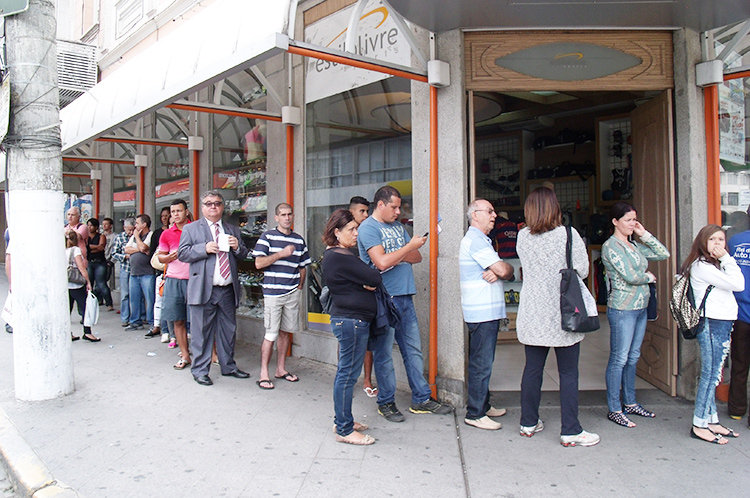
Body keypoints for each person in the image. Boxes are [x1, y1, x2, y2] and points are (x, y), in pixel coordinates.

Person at [357, 185, 451, 422]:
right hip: (382, 299)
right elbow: (380, 262)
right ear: (380, 204)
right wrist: (406, 248)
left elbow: (417, 258)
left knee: (413, 350)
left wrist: (397, 253)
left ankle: (421, 398)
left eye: (399, 207)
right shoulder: (368, 227)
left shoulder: (398, 227)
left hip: (405, 296)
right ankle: (386, 402)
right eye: (394, 207)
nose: (398, 211)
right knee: (384, 354)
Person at [516, 187, 599, 447]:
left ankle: (528, 423)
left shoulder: (522, 236)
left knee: (532, 370)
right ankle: (570, 430)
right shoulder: (568, 235)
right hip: (564, 313)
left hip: (532, 313)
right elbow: (583, 270)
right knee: (568, 373)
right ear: (555, 208)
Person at [601, 202, 669, 427]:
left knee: (633, 357)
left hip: (641, 307)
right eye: (628, 220)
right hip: (622, 308)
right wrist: (648, 277)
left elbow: (662, 253)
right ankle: (615, 408)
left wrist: (643, 233)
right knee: (619, 358)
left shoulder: (634, 245)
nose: (632, 223)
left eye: (634, 219)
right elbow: (630, 276)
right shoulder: (610, 246)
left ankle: (630, 402)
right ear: (615, 221)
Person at [178, 190, 251, 386]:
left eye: (217, 203)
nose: (213, 207)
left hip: (227, 289)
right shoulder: (191, 229)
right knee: (202, 332)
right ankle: (200, 370)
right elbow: (182, 254)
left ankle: (229, 366)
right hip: (203, 288)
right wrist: (203, 249)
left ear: (222, 207)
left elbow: (243, 255)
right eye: (209, 204)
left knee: (228, 330)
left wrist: (237, 247)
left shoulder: (232, 229)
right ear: (202, 208)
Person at [322, 209, 381, 445]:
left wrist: (365, 280)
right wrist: (366, 281)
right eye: (351, 230)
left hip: (350, 320)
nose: (356, 233)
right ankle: (345, 429)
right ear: (336, 232)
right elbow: (375, 278)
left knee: (346, 374)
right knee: (347, 375)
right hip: (351, 322)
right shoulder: (341, 256)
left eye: (356, 228)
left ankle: (343, 419)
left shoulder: (339, 255)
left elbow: (368, 278)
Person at [684, 224, 744, 444]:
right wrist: (728, 258)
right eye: (712, 240)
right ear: (703, 242)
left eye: (721, 240)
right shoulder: (702, 266)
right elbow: (739, 284)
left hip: (722, 322)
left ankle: (711, 419)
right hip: (711, 323)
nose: (718, 244)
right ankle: (699, 423)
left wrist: (725, 260)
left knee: (715, 373)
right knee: (710, 375)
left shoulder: (715, 265)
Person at [459, 199, 514, 430]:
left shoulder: (482, 240)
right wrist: (500, 269)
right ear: (475, 215)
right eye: (489, 212)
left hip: (484, 311)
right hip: (481, 312)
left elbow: (504, 271)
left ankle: (483, 403)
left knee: (483, 360)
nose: (494, 216)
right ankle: (475, 413)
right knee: (481, 363)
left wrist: (501, 270)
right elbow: (504, 270)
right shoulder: (476, 240)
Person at [253, 203, 310, 390]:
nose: (287, 217)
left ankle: (280, 369)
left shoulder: (299, 240)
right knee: (271, 333)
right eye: (283, 214)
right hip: (273, 293)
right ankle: (263, 373)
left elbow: (303, 266)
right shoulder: (267, 237)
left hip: (292, 292)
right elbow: (259, 263)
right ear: (276, 217)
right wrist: (281, 254)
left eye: (289, 214)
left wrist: (300, 286)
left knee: (286, 332)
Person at [158, 200, 192, 370]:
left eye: (179, 210)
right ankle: (185, 354)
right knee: (178, 320)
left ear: (186, 211)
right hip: (173, 280)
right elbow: (160, 257)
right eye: (173, 212)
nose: (176, 214)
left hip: (194, 280)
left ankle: (211, 353)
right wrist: (170, 257)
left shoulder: (196, 229)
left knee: (201, 320)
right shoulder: (166, 234)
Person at [349, 195, 378, 398]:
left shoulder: (368, 234)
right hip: (350, 296)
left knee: (368, 341)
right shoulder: (345, 238)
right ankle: (346, 379)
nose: (366, 215)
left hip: (368, 293)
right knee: (347, 341)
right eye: (362, 211)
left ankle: (367, 380)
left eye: (368, 211)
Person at [728, 210, 750, 422]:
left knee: (739, 363)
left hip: (739, 311)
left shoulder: (735, 241)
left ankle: (736, 410)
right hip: (741, 311)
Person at [66, 231, 99, 342]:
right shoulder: (75, 250)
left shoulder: (63, 251)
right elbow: (81, 267)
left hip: (66, 284)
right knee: (85, 308)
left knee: (67, 310)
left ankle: (67, 333)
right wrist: (88, 281)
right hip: (77, 284)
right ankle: (87, 332)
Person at [124, 214, 155, 331]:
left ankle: (153, 322)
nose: (135, 226)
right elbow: (127, 249)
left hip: (147, 272)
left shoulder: (150, 235)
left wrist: (137, 238)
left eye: (137, 223)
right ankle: (135, 321)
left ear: (144, 224)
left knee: (150, 299)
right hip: (134, 273)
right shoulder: (133, 237)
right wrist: (140, 248)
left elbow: (145, 247)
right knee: (134, 298)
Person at [146, 207, 172, 338]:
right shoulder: (158, 234)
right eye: (163, 216)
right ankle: (158, 327)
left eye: (168, 215)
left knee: (171, 304)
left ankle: (170, 332)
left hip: (175, 273)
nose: (165, 218)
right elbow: (154, 253)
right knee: (159, 301)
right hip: (161, 272)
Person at [86, 218, 114, 311]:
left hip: (100, 262)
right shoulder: (86, 237)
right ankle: (93, 301)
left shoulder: (101, 236)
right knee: (89, 283)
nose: (89, 227)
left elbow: (101, 247)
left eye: (92, 225)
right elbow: (86, 248)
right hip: (89, 262)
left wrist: (90, 248)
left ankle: (109, 303)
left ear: (96, 227)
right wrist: (94, 247)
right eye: (88, 225)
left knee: (101, 283)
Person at [112, 218, 135, 327]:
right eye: (129, 230)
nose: (130, 232)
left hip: (136, 269)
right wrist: (124, 256)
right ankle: (125, 318)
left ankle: (137, 317)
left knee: (136, 295)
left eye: (132, 230)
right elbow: (114, 254)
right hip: (125, 269)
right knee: (125, 295)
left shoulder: (137, 237)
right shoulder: (119, 238)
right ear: (124, 228)